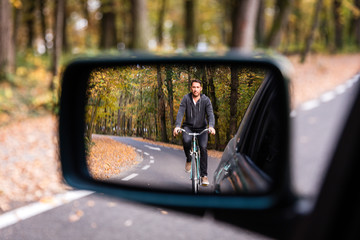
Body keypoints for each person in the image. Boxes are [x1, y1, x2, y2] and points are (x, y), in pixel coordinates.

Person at [173, 79, 215, 186]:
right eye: (194, 87)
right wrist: (177, 126)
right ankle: (189, 158)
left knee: (203, 147)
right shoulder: (186, 99)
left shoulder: (206, 100)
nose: (195, 89)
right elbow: (180, 112)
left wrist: (211, 126)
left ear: (201, 88)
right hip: (188, 127)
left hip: (202, 128)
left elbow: (210, 114)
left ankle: (204, 176)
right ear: (191, 88)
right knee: (186, 141)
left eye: (197, 87)